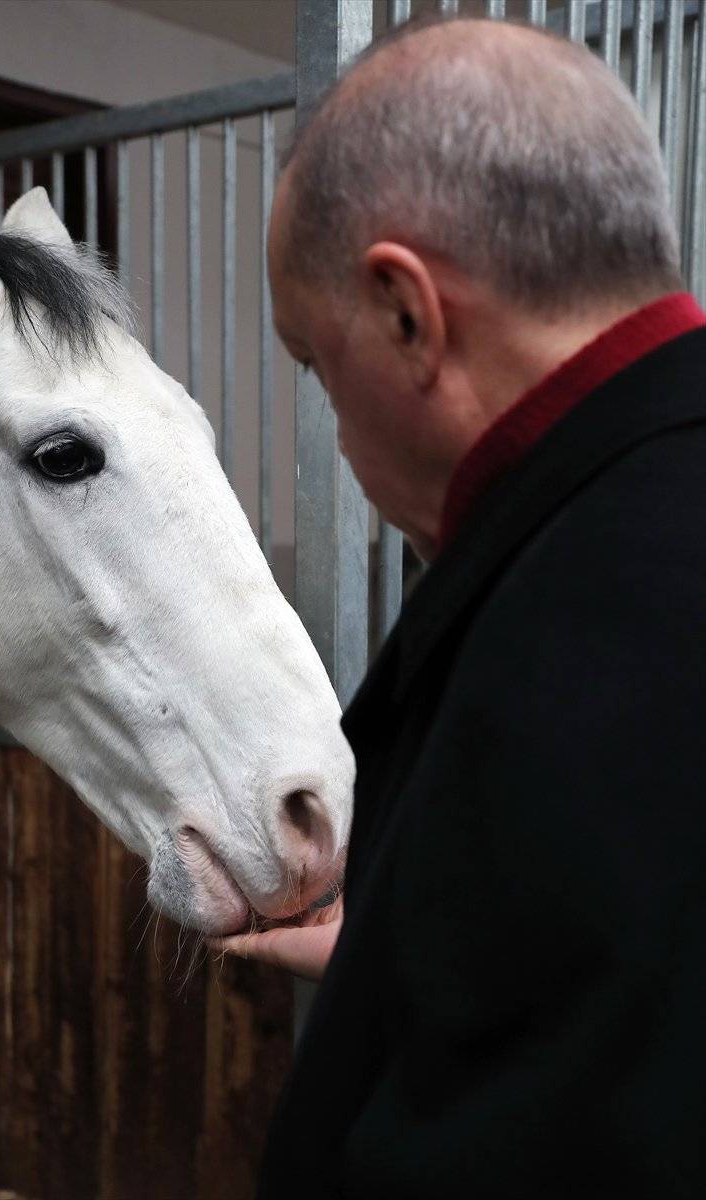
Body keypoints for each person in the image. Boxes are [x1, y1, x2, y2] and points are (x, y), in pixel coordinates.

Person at [214, 15, 706, 1199]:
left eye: (313, 364)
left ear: (405, 313)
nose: (333, 428)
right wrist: (402, 945)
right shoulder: (623, 517)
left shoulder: (591, 628)